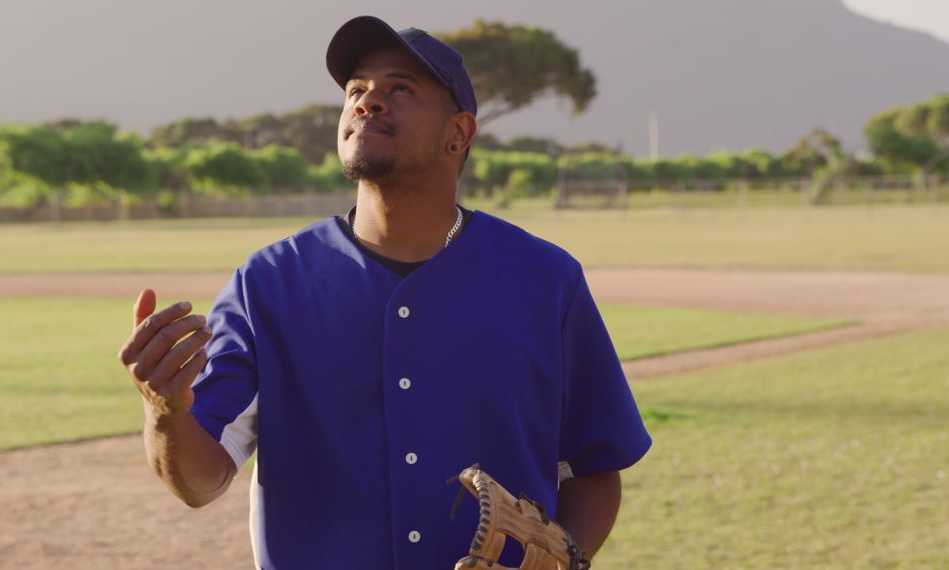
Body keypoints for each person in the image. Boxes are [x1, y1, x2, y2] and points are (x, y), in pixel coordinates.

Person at [118, 15, 651, 569]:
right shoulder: (269, 284)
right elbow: (200, 482)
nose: (367, 102)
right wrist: (165, 413)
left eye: (399, 88)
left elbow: (592, 468)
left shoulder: (545, 279)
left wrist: (562, 559)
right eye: (356, 90)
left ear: (459, 132)